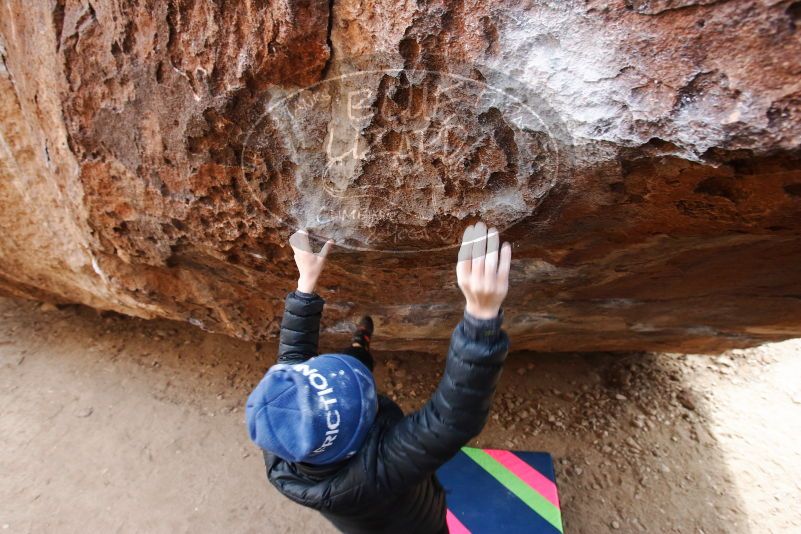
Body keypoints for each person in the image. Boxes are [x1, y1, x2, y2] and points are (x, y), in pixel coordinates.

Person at [246, 221, 512, 533]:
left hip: (361, 520)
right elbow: (451, 420)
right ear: (360, 432)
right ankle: (360, 348)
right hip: (418, 524)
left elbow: (293, 360)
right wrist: (481, 319)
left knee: (350, 358)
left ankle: (360, 345)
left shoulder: (278, 432)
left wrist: (306, 284)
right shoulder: (380, 469)